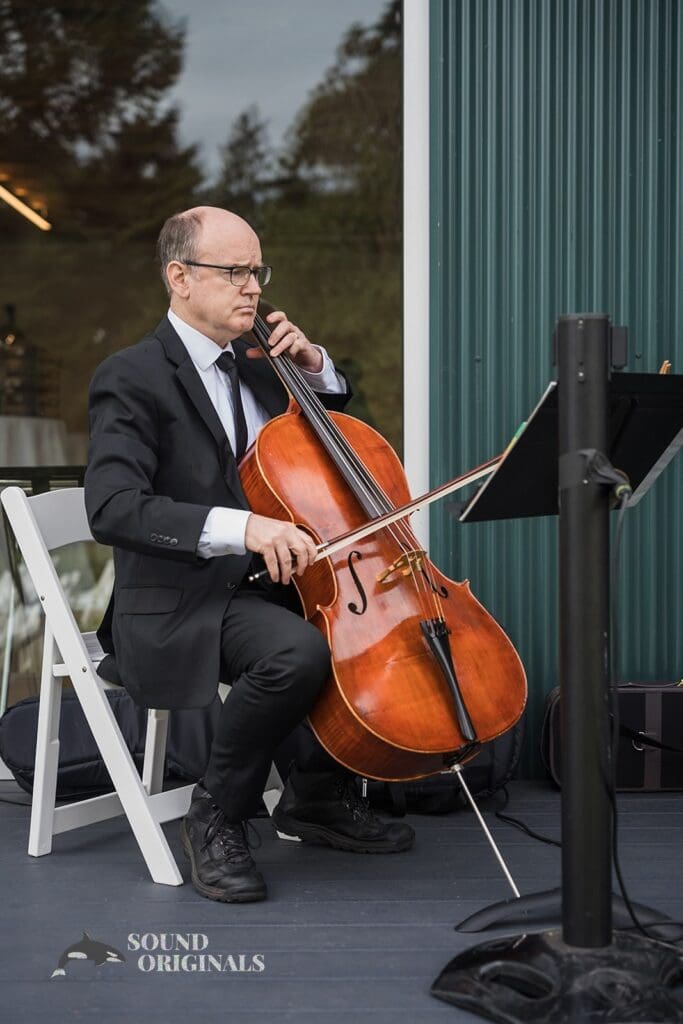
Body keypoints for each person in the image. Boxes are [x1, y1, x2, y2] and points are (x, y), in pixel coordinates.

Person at [84, 206, 414, 904]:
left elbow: (327, 445)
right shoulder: (132, 375)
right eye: (234, 271)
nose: (253, 287)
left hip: (271, 586)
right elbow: (113, 507)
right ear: (180, 277)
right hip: (185, 596)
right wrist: (245, 528)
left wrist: (313, 368)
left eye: (257, 271)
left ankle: (315, 795)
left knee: (359, 634)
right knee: (296, 652)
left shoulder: (265, 367)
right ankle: (216, 814)